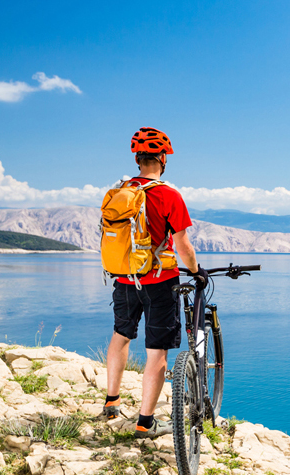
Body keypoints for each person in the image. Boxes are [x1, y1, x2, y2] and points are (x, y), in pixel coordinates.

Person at [103, 127, 207, 438]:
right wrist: (197, 271)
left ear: (137, 159)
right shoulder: (168, 195)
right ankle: (145, 422)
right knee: (156, 351)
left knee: (121, 335)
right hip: (160, 282)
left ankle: (111, 402)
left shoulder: (119, 191)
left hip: (124, 278)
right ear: (163, 158)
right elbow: (183, 245)